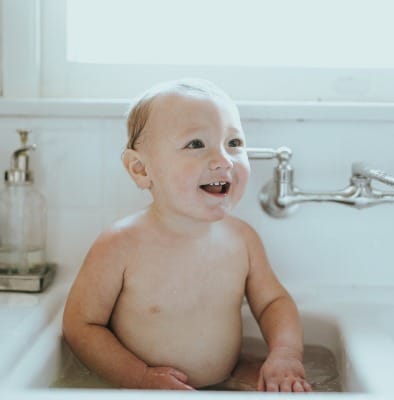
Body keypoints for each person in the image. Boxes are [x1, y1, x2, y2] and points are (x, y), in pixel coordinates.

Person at [62, 78, 312, 392]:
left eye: (234, 143)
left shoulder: (242, 240)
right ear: (141, 169)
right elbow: (82, 326)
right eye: (196, 144)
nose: (224, 159)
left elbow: (272, 302)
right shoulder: (120, 245)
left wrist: (285, 353)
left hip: (227, 377)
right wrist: (138, 378)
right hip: (143, 389)